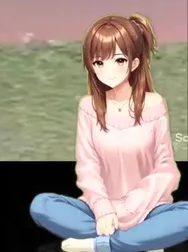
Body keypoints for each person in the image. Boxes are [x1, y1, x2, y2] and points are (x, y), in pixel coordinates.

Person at [29, 15, 187, 252]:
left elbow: (166, 168)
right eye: (98, 62)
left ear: (134, 63)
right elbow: (87, 167)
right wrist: (104, 209)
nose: (107, 71)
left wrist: (129, 207)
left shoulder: (154, 104)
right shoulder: (88, 107)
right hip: (98, 212)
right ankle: (140, 241)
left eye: (119, 60)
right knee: (41, 205)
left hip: (148, 209)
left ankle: (103, 244)